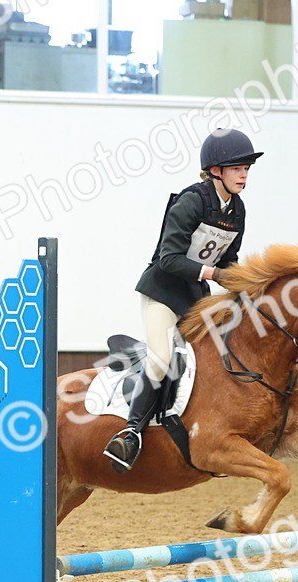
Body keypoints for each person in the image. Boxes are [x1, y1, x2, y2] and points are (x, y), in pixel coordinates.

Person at [102, 128, 263, 473]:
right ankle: (130, 433)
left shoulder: (237, 210)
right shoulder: (191, 201)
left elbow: (229, 261)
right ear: (216, 170)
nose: (244, 173)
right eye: (238, 167)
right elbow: (169, 259)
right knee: (161, 359)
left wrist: (248, 288)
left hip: (194, 297)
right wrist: (215, 275)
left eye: (247, 167)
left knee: (216, 357)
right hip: (163, 291)